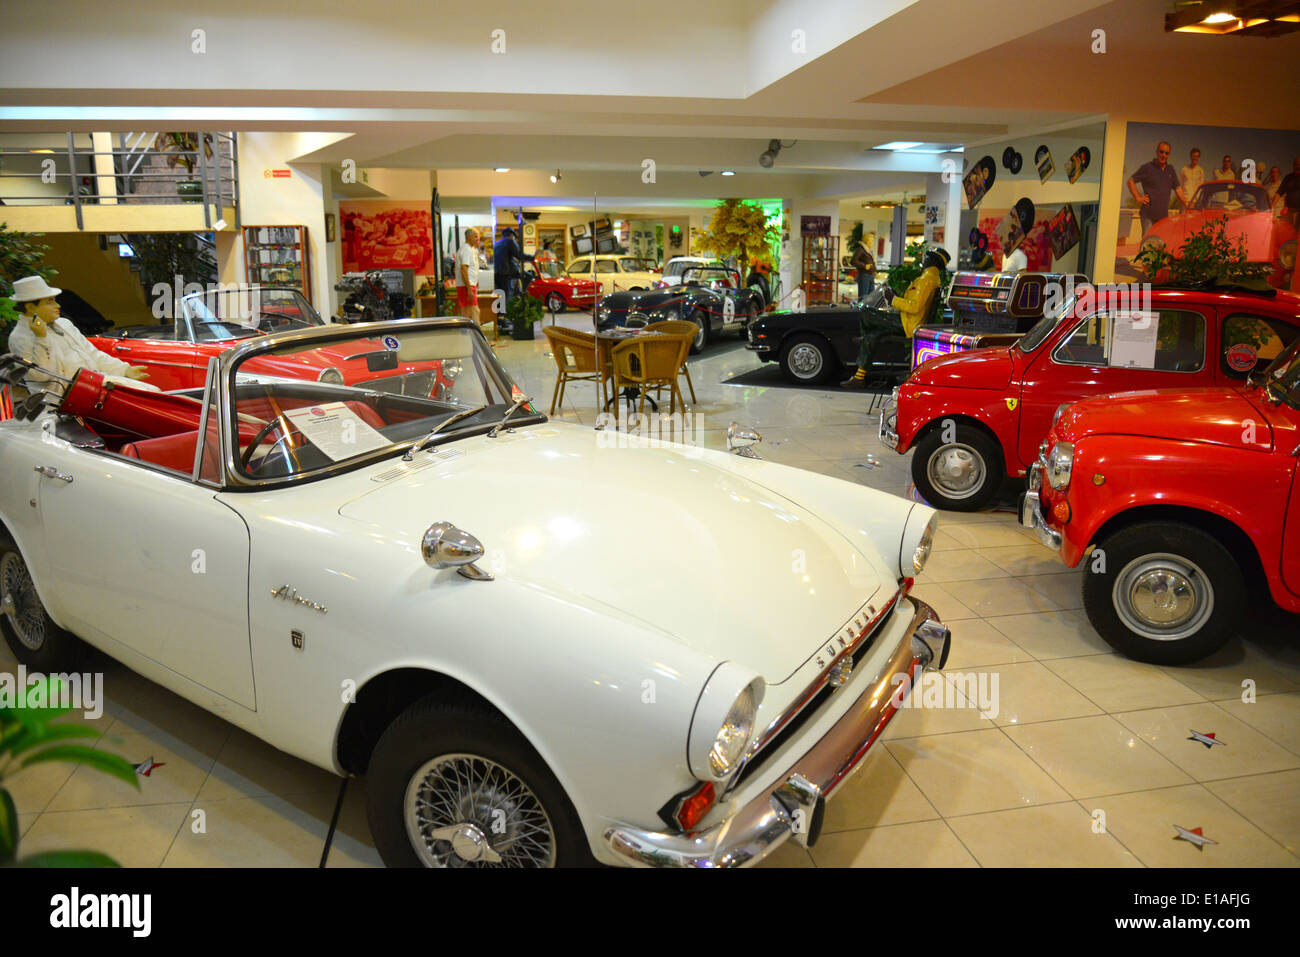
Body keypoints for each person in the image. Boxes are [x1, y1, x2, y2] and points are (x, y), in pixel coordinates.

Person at [6, 275, 154, 396]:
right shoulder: (19, 337)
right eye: (50, 302)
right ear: (31, 307)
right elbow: (40, 377)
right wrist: (41, 338)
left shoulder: (63, 323)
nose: (58, 306)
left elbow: (92, 353)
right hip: (64, 400)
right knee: (145, 397)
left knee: (151, 393)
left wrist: (124, 369)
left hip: (96, 384)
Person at [841, 246, 950, 389]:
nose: (924, 259)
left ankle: (863, 334)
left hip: (907, 323)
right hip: (909, 321)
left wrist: (892, 299)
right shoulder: (931, 278)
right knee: (872, 335)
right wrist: (896, 296)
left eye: (927, 256)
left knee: (865, 311)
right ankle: (859, 377)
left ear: (934, 261)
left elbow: (914, 307)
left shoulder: (926, 279)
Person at [1127, 141, 1188, 233]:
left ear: (1169, 155)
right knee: (1148, 245)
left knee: (1160, 245)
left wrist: (1188, 204)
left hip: (1163, 218)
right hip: (1148, 216)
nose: (1163, 155)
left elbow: (1178, 189)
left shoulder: (1170, 170)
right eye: (1161, 152)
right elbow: (1130, 181)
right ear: (1157, 152)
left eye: (1166, 153)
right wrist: (1138, 198)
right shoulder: (1147, 168)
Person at [492, 227, 534, 309]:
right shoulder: (510, 241)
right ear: (512, 235)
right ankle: (522, 293)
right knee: (528, 276)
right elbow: (519, 255)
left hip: (497, 273)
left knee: (500, 295)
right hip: (507, 272)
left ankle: (500, 316)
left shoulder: (496, 244)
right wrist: (531, 257)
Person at [455, 227, 481, 322]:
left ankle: (467, 335)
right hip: (466, 286)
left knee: (466, 313)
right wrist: (469, 289)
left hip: (467, 285)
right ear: (468, 237)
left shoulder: (469, 249)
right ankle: (477, 335)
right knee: (474, 312)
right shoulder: (466, 250)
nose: (478, 239)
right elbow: (464, 269)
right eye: (475, 237)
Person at [1279, 157, 1300, 227]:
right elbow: (1280, 191)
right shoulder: (1288, 177)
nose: (1297, 166)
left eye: (1299, 164)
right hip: (1288, 212)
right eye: (1295, 164)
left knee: (1297, 234)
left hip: (1298, 212)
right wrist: (1271, 206)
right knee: (1286, 231)